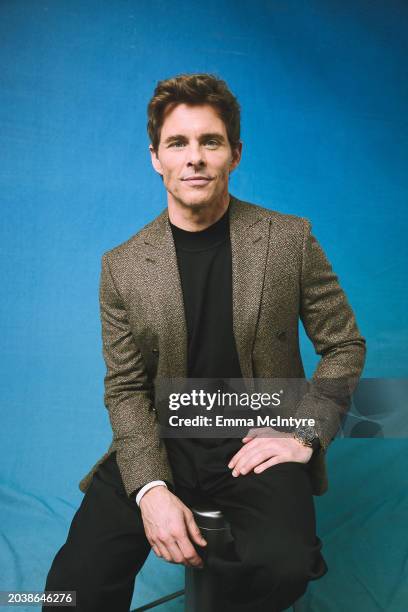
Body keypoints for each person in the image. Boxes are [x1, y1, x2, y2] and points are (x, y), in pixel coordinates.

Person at [43, 73, 366, 612]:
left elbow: (345, 345)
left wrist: (304, 436)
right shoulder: (122, 267)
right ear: (156, 157)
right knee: (66, 593)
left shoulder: (289, 240)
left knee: (286, 565)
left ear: (234, 154)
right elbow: (125, 389)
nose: (194, 158)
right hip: (159, 439)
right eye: (178, 143)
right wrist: (149, 489)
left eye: (210, 142)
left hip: (257, 442)